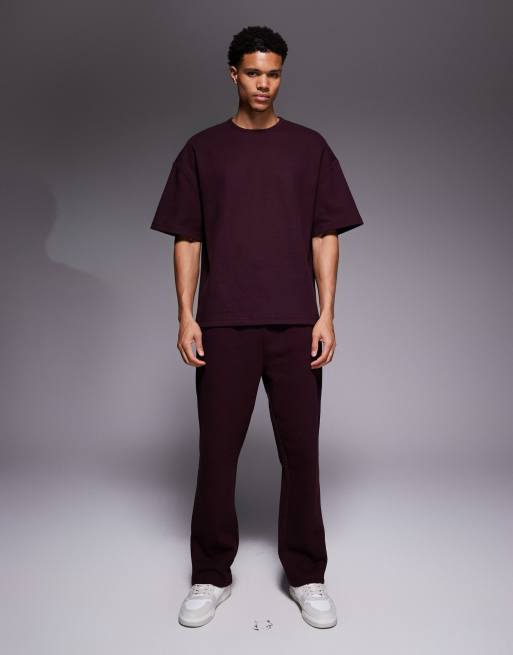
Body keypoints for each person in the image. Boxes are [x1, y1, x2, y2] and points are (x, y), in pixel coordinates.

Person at [150, 25, 364, 629]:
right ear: (234, 75)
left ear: (280, 76)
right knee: (218, 453)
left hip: (296, 324)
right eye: (253, 73)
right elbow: (187, 237)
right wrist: (187, 315)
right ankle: (210, 574)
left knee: (302, 452)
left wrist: (326, 313)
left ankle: (307, 574)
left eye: (272, 74)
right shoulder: (202, 150)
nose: (263, 84)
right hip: (224, 324)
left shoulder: (310, 147)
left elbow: (325, 234)